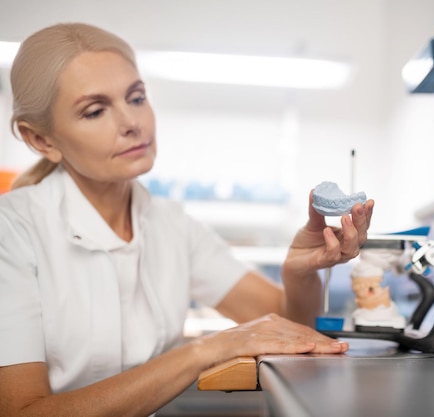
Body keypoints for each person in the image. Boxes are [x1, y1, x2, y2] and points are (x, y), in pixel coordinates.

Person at [0, 23, 374, 417]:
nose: (132, 122)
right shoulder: (13, 230)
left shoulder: (170, 224)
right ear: (42, 141)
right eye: (95, 110)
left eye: (137, 97)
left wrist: (299, 272)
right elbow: (22, 411)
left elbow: (290, 326)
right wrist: (206, 350)